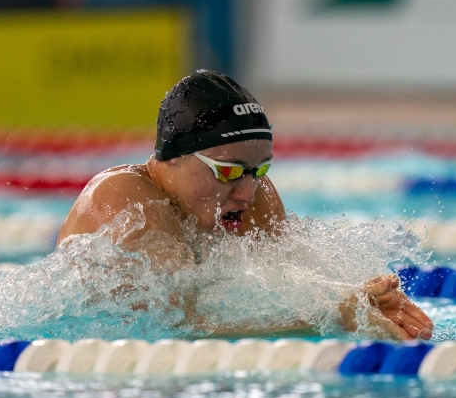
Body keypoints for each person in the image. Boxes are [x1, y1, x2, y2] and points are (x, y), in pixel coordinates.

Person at [57, 70, 433, 340]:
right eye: (228, 172)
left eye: (259, 169)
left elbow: (286, 282)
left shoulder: (255, 197)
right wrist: (333, 313)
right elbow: (172, 323)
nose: (247, 193)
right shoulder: (126, 202)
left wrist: (355, 297)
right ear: (175, 157)